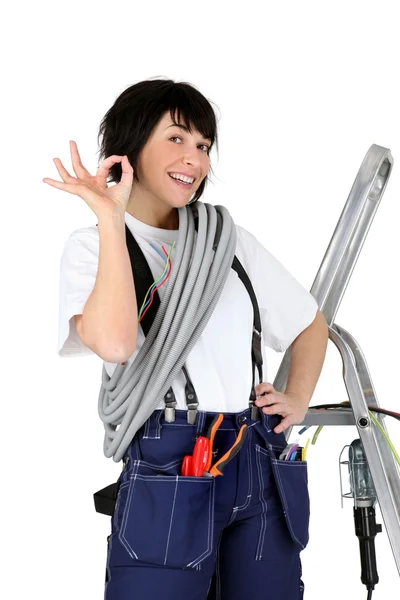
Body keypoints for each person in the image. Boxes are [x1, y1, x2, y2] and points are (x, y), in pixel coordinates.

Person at [44, 78, 328, 600]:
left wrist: (299, 397)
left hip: (256, 452)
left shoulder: (230, 242)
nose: (194, 159)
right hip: (169, 458)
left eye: (203, 145)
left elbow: (311, 324)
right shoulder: (93, 248)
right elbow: (115, 344)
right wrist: (111, 219)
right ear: (130, 147)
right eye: (176, 138)